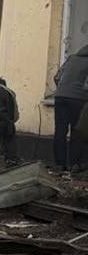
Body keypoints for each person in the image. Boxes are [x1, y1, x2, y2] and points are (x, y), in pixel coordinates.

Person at [53, 46, 88, 174]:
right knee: (77, 131)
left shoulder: (71, 58)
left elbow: (56, 77)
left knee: (60, 131)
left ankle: (59, 165)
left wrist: (64, 89)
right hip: (78, 99)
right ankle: (75, 164)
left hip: (60, 97)